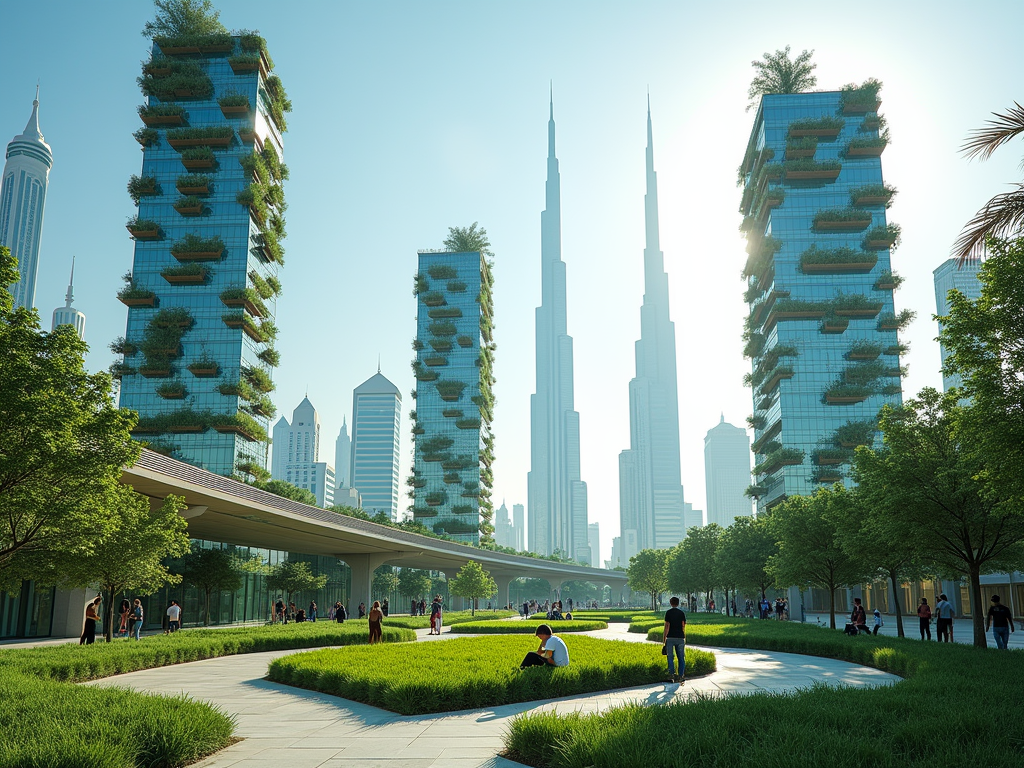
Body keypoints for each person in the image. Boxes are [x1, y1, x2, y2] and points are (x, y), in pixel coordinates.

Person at [662, 596, 687, 684]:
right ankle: (681, 676)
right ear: (678, 603)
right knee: (681, 658)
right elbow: (683, 626)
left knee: (670, 657)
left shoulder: (668, 613)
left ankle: (671, 675)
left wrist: (664, 639)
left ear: (670, 603)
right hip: (680, 637)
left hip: (670, 638)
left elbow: (666, 627)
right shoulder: (681, 613)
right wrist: (684, 637)